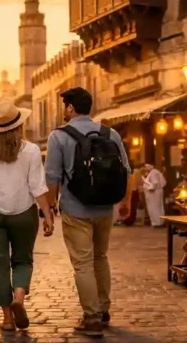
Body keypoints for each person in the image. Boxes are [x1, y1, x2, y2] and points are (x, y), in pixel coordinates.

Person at [45, 87, 130, 336]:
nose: (64, 111)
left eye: (65, 106)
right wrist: (123, 202)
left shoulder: (58, 137)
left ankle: (91, 318)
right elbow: (126, 169)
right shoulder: (110, 133)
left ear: (71, 108)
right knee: (100, 257)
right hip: (105, 208)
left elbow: (52, 177)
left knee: (82, 263)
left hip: (75, 208)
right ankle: (103, 310)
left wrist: (49, 208)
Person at [0, 100, 54, 333]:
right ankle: (19, 298)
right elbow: (38, 187)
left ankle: (7, 318)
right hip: (24, 213)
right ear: (19, 126)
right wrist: (48, 216)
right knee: (23, 259)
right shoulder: (32, 150)